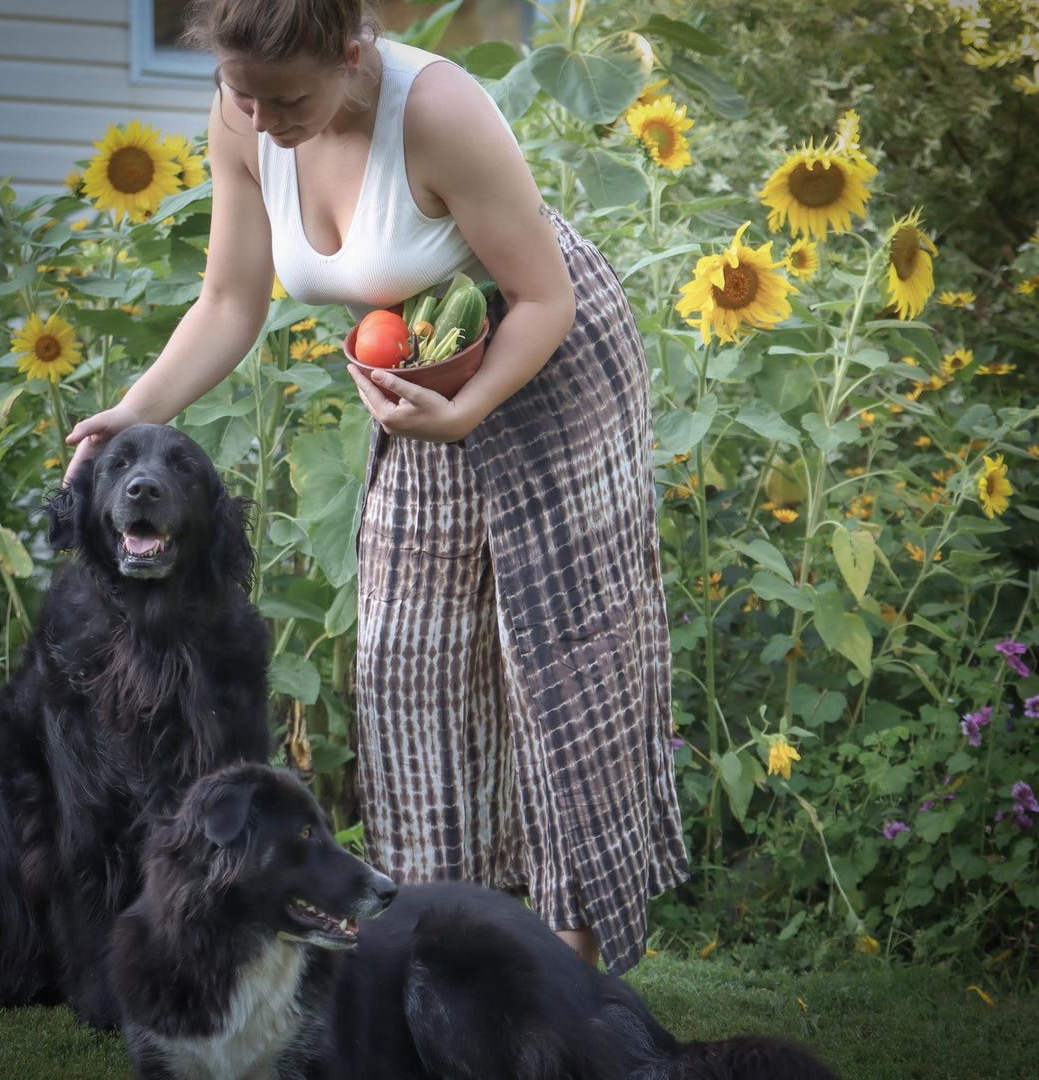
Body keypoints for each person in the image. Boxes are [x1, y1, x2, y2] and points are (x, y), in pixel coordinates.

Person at [66, 0, 688, 973]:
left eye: (288, 98)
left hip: (547, 367)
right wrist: (129, 414)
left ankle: (570, 963)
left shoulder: (438, 110)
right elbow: (231, 298)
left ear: (353, 57)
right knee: (407, 660)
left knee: (559, 662)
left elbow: (545, 297)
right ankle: (454, 940)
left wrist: (469, 408)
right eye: (244, 95)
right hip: (427, 375)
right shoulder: (249, 113)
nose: (262, 122)